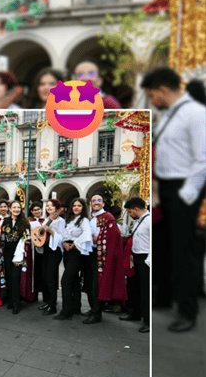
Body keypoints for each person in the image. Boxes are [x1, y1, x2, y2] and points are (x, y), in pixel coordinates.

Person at [141, 67, 206, 332]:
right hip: (165, 188)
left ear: (162, 90)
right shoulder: (170, 115)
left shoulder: (196, 114)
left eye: (151, 95)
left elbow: (203, 158)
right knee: (165, 248)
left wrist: (187, 195)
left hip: (182, 188)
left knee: (183, 252)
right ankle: (165, 297)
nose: (151, 100)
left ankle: (187, 310)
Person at [86, 194, 125, 324]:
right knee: (90, 285)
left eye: (99, 200)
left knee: (97, 285)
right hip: (91, 254)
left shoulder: (108, 217)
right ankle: (93, 309)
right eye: (93, 200)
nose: (96, 202)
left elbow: (114, 236)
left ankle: (97, 313)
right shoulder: (92, 218)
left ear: (103, 204)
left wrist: (99, 239)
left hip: (101, 257)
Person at [55, 198, 93, 320]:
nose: (76, 207)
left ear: (83, 208)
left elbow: (86, 234)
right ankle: (76, 307)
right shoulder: (69, 220)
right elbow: (64, 235)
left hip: (77, 252)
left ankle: (66, 311)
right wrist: (65, 242)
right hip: (67, 251)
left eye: (79, 206)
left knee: (65, 281)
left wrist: (74, 244)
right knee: (74, 281)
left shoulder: (84, 220)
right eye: (74, 205)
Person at [121, 197, 151, 334]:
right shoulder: (139, 221)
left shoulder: (149, 220)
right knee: (134, 288)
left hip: (145, 259)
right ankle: (135, 313)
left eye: (130, 211)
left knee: (145, 291)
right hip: (136, 258)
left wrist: (148, 261)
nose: (129, 214)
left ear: (136, 209)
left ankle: (148, 321)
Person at [0, 200, 32, 314]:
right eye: (14, 207)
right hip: (7, 253)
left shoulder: (25, 222)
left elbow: (28, 239)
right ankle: (10, 301)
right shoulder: (5, 221)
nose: (16, 209)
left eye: (18, 207)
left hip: (18, 253)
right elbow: (3, 236)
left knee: (15, 277)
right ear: (10, 208)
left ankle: (16, 303)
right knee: (8, 276)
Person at [38, 199, 65, 315]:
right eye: (47, 206)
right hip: (46, 250)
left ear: (56, 208)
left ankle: (53, 305)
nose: (49, 207)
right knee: (45, 276)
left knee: (51, 278)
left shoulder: (61, 221)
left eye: (52, 206)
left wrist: (51, 230)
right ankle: (48, 302)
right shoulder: (46, 219)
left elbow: (62, 238)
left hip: (55, 250)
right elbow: (40, 233)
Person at [28, 201, 46, 302]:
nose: (37, 211)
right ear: (31, 211)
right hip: (33, 250)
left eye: (38, 209)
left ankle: (45, 295)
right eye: (34, 210)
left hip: (45, 250)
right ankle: (33, 295)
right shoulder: (29, 221)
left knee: (44, 272)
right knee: (34, 272)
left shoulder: (45, 221)